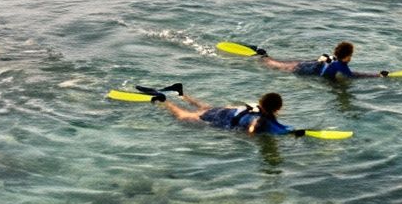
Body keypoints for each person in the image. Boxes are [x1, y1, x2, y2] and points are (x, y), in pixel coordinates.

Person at [142, 85, 292, 136]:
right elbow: (253, 127)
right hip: (222, 118)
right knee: (183, 115)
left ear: (261, 102)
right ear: (279, 108)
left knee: (204, 107)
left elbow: (234, 108)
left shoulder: (255, 107)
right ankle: (163, 100)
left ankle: (181, 94)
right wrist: (251, 135)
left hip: (225, 111)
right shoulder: (260, 119)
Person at [251, 41, 383, 79]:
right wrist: (377, 75)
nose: (351, 57)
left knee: (281, 64)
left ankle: (264, 56)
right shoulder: (341, 66)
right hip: (307, 69)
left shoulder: (337, 61)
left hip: (314, 64)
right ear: (347, 56)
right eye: (351, 55)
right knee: (280, 67)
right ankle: (262, 57)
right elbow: (353, 75)